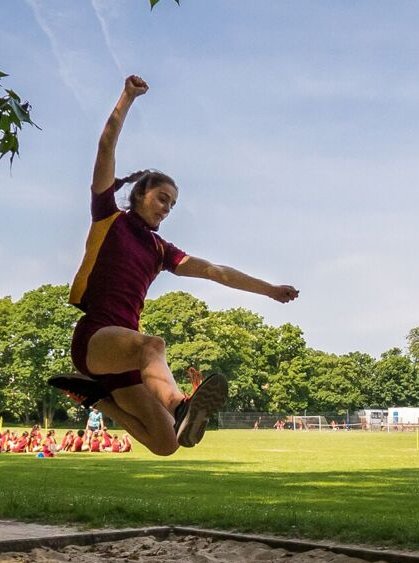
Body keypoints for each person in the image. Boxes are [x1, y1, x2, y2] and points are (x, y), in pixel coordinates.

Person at [49, 75, 298, 455]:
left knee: (166, 444)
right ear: (140, 195)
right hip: (98, 337)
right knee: (154, 345)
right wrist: (127, 97)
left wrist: (269, 290)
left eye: (173, 204)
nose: (167, 208)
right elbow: (104, 147)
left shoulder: (161, 250)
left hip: (128, 356)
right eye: (162, 198)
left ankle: (95, 398)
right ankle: (182, 405)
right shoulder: (108, 218)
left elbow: (216, 271)